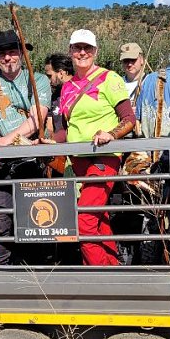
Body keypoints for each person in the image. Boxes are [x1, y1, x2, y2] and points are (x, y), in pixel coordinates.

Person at [0, 30, 51, 265]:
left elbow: (37, 119)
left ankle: (35, 272)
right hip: (1, 163)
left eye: (12, 52)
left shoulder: (38, 80)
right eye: (2, 53)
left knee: (35, 220)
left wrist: (5, 140)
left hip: (31, 161)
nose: (7, 58)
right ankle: (5, 272)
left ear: (21, 54)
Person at [56, 29, 136, 266]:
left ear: (95, 51)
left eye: (87, 48)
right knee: (98, 218)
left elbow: (129, 118)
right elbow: (64, 129)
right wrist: (48, 143)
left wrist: (111, 134)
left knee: (85, 220)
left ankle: (100, 274)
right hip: (77, 161)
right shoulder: (67, 87)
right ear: (70, 51)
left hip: (104, 157)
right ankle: (113, 267)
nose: (82, 53)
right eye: (77, 48)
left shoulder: (110, 78)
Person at [44, 53, 73, 139]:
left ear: (61, 73)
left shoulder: (80, 92)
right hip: (59, 145)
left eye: (50, 76)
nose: (48, 81)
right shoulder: (54, 96)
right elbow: (50, 127)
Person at [119, 42, 146, 106]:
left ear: (142, 60)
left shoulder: (150, 82)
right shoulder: (117, 83)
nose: (129, 64)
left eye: (133, 59)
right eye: (126, 60)